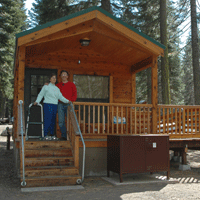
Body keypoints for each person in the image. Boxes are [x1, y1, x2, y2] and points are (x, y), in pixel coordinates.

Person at [34, 73, 70, 140]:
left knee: (53, 120)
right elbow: (41, 95)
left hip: (54, 105)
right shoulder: (46, 87)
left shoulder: (56, 88)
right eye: (53, 78)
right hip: (47, 104)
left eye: (55, 78)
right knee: (47, 119)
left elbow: (61, 97)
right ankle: (45, 135)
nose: (54, 79)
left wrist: (68, 101)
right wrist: (37, 101)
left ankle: (52, 135)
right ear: (50, 79)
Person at [56, 70, 77, 140]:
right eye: (62, 74)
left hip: (69, 104)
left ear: (67, 76)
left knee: (71, 121)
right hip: (60, 104)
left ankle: (71, 136)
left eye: (65, 74)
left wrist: (71, 101)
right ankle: (64, 136)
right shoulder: (58, 85)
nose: (64, 76)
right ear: (61, 76)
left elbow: (75, 95)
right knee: (61, 121)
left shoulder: (72, 85)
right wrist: (47, 84)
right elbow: (52, 90)